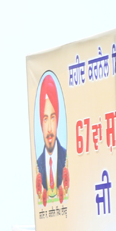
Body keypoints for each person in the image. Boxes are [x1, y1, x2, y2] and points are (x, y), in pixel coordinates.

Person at [35, 76, 69, 205]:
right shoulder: (38, 165)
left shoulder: (66, 158)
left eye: (52, 117)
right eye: (45, 119)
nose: (49, 128)